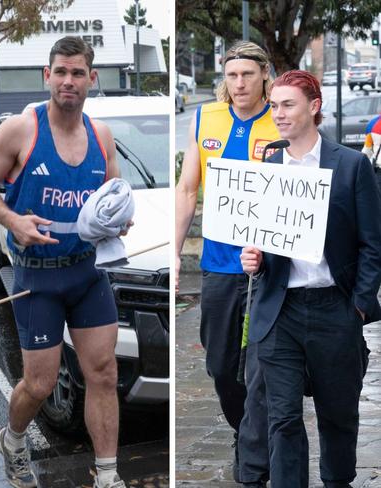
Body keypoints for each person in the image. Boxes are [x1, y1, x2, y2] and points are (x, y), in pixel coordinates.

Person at [0, 36, 125, 488]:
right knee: (39, 384)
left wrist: (117, 222)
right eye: (61, 71)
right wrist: (12, 220)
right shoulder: (22, 130)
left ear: (91, 79)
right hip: (36, 277)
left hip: (88, 273)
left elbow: (111, 199)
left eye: (78, 73)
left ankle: (108, 476)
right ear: (47, 75)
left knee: (103, 371)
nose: (68, 81)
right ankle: (13, 439)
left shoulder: (101, 136)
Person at [241, 70, 381, 488]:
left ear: (313, 107)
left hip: (334, 309)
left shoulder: (351, 165)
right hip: (280, 310)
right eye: (275, 105)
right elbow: (261, 238)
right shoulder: (268, 165)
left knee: (338, 415)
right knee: (281, 418)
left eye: (288, 105)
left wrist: (358, 304)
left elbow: (373, 244)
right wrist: (255, 258)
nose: (278, 114)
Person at [175, 40, 278, 486]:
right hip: (219, 266)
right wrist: (173, 253)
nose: (239, 84)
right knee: (220, 365)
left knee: (264, 366)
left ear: (264, 75)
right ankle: (246, 431)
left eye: (248, 75)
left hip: (273, 268)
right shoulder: (205, 118)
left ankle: (258, 450)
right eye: (232, 75)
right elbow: (186, 190)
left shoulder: (284, 117)